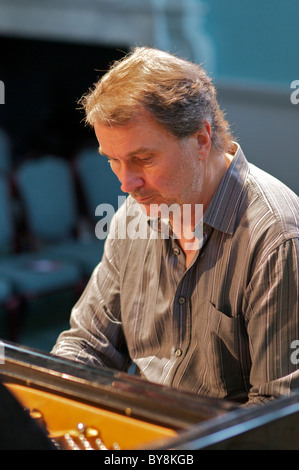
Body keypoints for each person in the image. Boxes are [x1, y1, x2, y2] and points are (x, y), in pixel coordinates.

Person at [52, 47, 299, 406]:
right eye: (113, 161)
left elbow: (277, 413)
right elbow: (88, 344)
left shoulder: (277, 239)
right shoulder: (133, 217)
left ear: (201, 140)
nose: (126, 183)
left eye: (143, 159)